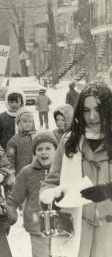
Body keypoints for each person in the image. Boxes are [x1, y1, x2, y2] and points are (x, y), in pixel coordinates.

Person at [40, 81, 112, 257]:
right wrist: (54, 195)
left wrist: (107, 190)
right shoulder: (69, 142)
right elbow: (49, 184)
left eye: (98, 109)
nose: (93, 117)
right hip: (77, 230)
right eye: (86, 110)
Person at [7, 130, 57, 257]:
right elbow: (14, 198)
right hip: (37, 225)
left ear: (56, 150)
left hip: (60, 223)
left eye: (48, 148)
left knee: (61, 253)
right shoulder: (26, 172)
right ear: (35, 152)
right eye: (39, 149)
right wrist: (7, 211)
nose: (44, 152)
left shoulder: (61, 170)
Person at [6, 107, 36, 179]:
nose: (28, 124)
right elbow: (10, 158)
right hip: (20, 174)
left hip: (35, 174)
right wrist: (11, 173)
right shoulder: (13, 141)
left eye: (30, 121)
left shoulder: (36, 137)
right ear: (19, 123)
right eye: (24, 122)